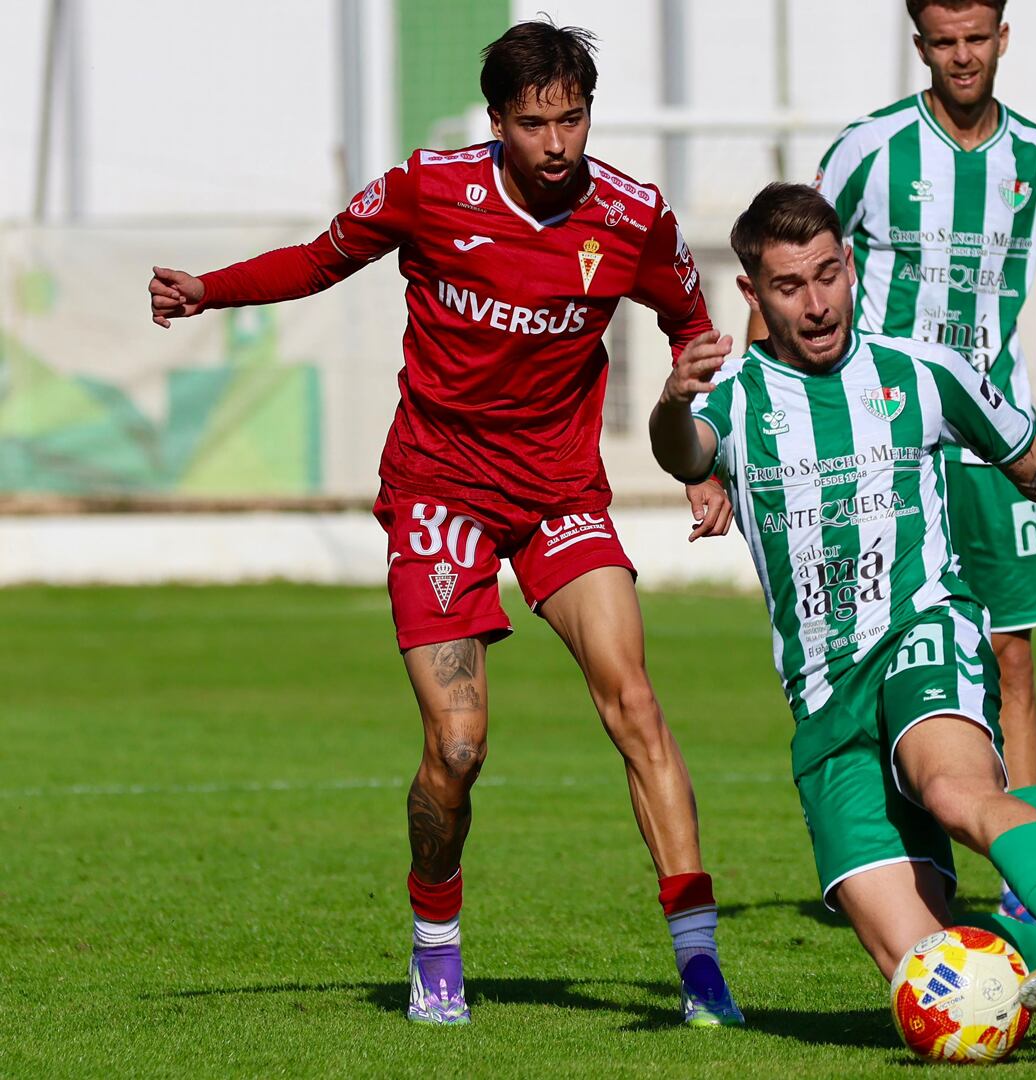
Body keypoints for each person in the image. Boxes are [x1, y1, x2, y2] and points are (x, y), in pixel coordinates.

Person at [147, 21, 743, 1027]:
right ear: (498, 122)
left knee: (635, 703)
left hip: (559, 494)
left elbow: (691, 325)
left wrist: (699, 449)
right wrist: (210, 291)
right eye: (534, 123)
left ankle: (700, 974)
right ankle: (435, 940)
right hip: (440, 491)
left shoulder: (634, 216)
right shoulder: (429, 188)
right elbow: (320, 259)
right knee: (459, 746)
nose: (557, 143)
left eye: (573, 117)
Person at [652, 182, 1036, 1033]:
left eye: (828, 275)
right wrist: (671, 399)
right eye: (789, 286)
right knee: (930, 982)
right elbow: (682, 453)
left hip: (923, 632)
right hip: (822, 696)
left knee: (955, 790)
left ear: (849, 265)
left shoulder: (920, 374)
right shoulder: (731, 400)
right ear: (751, 294)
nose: (816, 306)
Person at [735, 0, 1036, 975]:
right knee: (923, 661)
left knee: (1010, 660)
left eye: (975, 37)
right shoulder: (868, 150)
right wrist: (740, 446)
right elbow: (786, 269)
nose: (961, 55)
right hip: (876, 435)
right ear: (922, 45)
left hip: (984, 435)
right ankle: (1008, 899)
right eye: (943, 40)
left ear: (1000, 38)